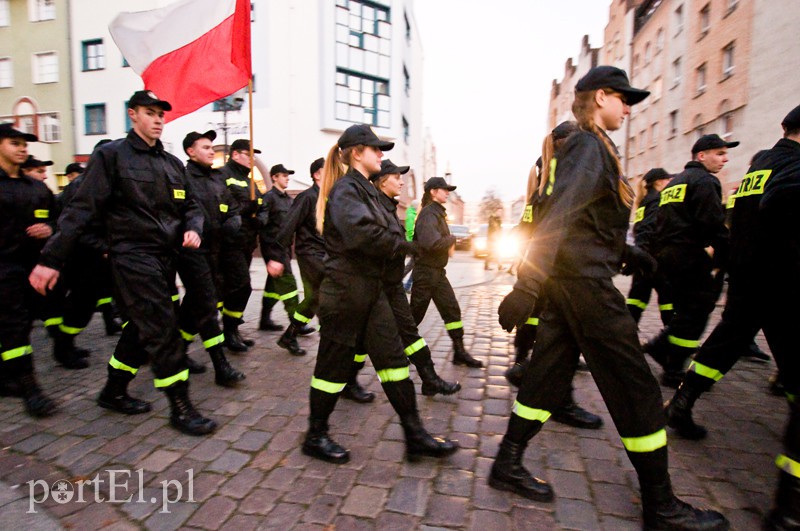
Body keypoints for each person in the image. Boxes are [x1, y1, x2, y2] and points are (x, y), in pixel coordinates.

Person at [493, 65, 727, 529]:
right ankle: (661, 505)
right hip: (584, 286)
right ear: (601, 96)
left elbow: (586, 222)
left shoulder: (594, 145)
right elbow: (558, 215)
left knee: (546, 376)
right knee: (636, 387)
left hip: (574, 280)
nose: (628, 108)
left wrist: (626, 250)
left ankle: (507, 462)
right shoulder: (586, 142)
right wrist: (526, 285)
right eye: (624, 99)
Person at [29, 90, 217, 436]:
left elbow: (190, 206)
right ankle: (181, 407)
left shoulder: (172, 164)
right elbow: (81, 208)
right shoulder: (112, 155)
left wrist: (193, 228)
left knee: (141, 327)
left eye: (161, 113)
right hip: (131, 257)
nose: (158, 119)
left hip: (165, 258)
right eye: (150, 112)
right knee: (162, 328)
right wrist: (51, 259)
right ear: (133, 114)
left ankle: (113, 390)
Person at [663, 104, 800, 528]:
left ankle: (681, 402)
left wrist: (730, 260)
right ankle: (790, 507)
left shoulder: (761, 164)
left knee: (727, 340)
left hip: (748, 275)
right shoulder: (788, 169)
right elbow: (765, 208)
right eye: (718, 151)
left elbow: (734, 221)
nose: (724, 158)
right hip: (785, 278)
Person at [302, 123, 457, 464]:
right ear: (357, 153)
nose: (381, 155)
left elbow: (380, 229)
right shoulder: (346, 190)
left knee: (394, 362)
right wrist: (407, 246)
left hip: (371, 293)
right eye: (376, 149)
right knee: (332, 369)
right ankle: (315, 435)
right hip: (345, 293)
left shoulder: (367, 191)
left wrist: (402, 246)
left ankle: (414, 435)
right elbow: (362, 233)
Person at [505, 121, 602, 431]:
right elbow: (550, 228)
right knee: (562, 339)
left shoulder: (549, 177)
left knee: (559, 339)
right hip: (560, 270)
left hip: (554, 268)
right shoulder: (561, 176)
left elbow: (530, 226)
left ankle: (534, 378)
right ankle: (547, 390)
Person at [275, 157, 374, 402]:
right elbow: (286, 229)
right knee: (332, 305)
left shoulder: (333, 197)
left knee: (315, 298)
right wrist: (277, 257)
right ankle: (341, 374)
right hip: (311, 256)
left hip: (327, 256)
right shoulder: (307, 197)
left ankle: (290, 334)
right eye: (331, 171)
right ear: (318, 175)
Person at [644, 134, 738, 388]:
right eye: (719, 153)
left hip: (669, 256)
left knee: (687, 309)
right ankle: (669, 360)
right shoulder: (705, 181)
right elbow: (712, 223)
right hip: (690, 255)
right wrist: (726, 254)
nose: (725, 159)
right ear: (701, 155)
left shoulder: (675, 183)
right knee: (697, 309)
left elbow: (659, 222)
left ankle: (666, 354)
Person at [371, 159, 461, 396]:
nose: (402, 181)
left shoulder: (389, 206)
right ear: (382, 181)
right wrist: (410, 247)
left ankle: (429, 380)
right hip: (375, 286)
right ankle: (345, 380)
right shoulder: (374, 206)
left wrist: (407, 247)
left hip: (393, 284)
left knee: (410, 329)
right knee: (352, 342)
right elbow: (378, 241)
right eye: (397, 177)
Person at [176, 130, 246, 387]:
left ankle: (178, 350)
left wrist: (233, 220)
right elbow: (180, 211)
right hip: (192, 251)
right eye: (205, 147)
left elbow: (231, 206)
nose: (211, 151)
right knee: (207, 303)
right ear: (190, 151)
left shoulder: (217, 179)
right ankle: (220, 365)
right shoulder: (182, 177)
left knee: (194, 303)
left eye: (211, 147)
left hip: (217, 250)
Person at [0, 123, 57, 416]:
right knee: (15, 327)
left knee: (20, 325)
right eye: (14, 143)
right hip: (3, 269)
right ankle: (29, 387)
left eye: (25, 144)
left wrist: (48, 228)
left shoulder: (37, 188)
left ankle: (7, 379)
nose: (22, 148)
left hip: (31, 268)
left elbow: (59, 220)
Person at [411, 177, 483, 368]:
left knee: (452, 311)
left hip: (437, 274)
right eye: (444, 190)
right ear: (433, 192)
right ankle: (393, 350)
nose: (447, 192)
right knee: (413, 317)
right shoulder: (428, 214)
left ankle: (459, 352)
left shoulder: (437, 213)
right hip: (425, 274)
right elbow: (431, 243)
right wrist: (452, 238)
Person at [257, 163, 311, 355]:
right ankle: (294, 332)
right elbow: (264, 228)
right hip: (275, 253)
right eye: (283, 175)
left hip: (285, 251)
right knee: (289, 290)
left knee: (273, 287)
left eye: (288, 175)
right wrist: (272, 257)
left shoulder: (288, 200)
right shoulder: (269, 198)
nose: (287, 178)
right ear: (274, 178)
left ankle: (264, 320)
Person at [219, 138, 261, 352]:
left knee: (236, 288)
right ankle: (228, 331)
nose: (252, 159)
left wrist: (260, 215)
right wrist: (247, 208)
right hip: (230, 243)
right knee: (241, 286)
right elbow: (224, 205)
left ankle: (233, 329)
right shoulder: (224, 176)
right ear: (235, 154)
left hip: (246, 243)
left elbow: (261, 205)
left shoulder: (250, 182)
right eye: (248, 154)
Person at [625, 168, 674, 326]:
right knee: (667, 297)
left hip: (645, 256)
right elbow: (648, 228)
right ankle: (669, 335)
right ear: (659, 182)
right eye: (668, 180)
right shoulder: (657, 200)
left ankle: (627, 332)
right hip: (655, 257)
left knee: (637, 298)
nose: (670, 183)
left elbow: (638, 231)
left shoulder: (644, 202)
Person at [402, 199, 419, 292]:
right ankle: (404, 285)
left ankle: (407, 285)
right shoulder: (411, 215)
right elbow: (409, 230)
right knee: (412, 265)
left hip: (414, 243)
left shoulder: (413, 215)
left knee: (414, 264)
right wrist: (413, 241)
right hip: (412, 243)